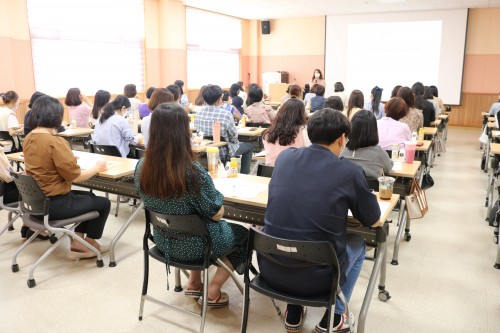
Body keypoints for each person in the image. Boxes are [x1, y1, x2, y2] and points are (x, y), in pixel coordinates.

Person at [258, 108, 381, 333]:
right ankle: (335, 316)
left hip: (270, 269)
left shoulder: (285, 158)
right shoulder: (350, 171)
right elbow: (372, 219)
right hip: (318, 279)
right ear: (342, 138)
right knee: (359, 244)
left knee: (294, 235)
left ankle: (294, 311)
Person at [134, 103, 248, 307]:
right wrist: (219, 203)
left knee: (194, 221)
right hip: (198, 246)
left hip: (163, 240)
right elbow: (216, 214)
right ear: (183, 132)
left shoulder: (142, 166)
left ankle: (194, 282)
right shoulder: (191, 171)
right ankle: (213, 290)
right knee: (245, 236)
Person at [24, 95, 110, 259]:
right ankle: (90, 242)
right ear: (55, 116)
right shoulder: (55, 141)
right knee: (103, 203)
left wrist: (66, 159)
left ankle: (77, 242)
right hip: (54, 205)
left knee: (89, 196)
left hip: (36, 204)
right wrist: (96, 167)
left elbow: (43, 161)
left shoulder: (29, 138)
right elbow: (75, 177)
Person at [194, 85, 253, 174]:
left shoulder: (198, 114)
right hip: (224, 151)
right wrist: (233, 141)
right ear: (219, 99)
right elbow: (234, 135)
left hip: (204, 152)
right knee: (249, 147)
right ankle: (244, 175)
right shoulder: (226, 114)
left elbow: (198, 132)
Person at [341, 110, 393, 179]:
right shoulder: (378, 152)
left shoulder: (342, 150)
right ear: (373, 130)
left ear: (352, 128)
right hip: (371, 189)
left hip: (346, 188)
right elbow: (388, 169)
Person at [263, 98, 311, 166]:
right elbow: (309, 154)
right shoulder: (303, 131)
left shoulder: (267, 133)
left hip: (270, 172)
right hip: (294, 172)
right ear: (302, 114)